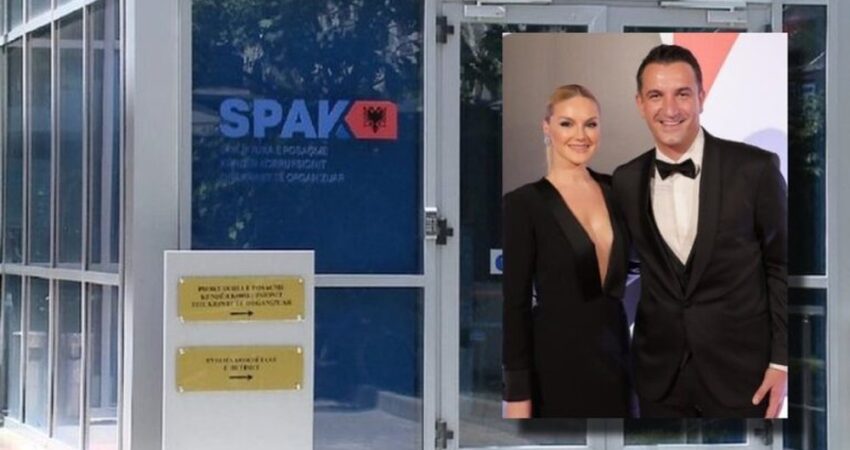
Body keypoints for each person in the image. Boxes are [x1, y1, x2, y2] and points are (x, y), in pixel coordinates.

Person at [611, 44, 788, 418]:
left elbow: (781, 265)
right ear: (640, 104)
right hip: (658, 376)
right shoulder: (625, 180)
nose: (670, 109)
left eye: (682, 94)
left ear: (701, 98)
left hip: (742, 374)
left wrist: (782, 361)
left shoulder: (754, 169)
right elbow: (621, 269)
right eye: (656, 95)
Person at [502, 84, 632, 418]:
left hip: (618, 363)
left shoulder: (618, 191)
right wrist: (517, 392)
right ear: (547, 127)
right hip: (555, 365)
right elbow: (515, 305)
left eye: (591, 124)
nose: (581, 135)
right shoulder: (524, 204)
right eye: (567, 123)